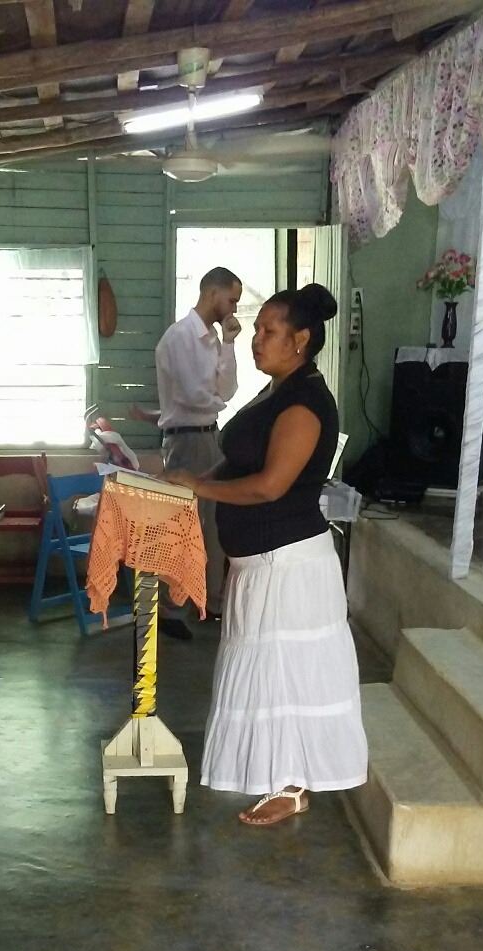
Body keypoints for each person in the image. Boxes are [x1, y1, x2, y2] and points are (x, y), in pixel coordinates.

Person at [166, 283, 368, 827]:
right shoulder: (276, 390)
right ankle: (280, 778)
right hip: (260, 563)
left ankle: (294, 785)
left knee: (289, 674)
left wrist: (199, 488)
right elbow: (239, 461)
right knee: (268, 673)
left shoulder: (305, 403)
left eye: (268, 331)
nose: (256, 339)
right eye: (256, 329)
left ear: (300, 340)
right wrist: (193, 483)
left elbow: (270, 485)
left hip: (289, 564)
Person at [132, 266, 242, 640]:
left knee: (213, 523)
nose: (233, 309)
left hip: (209, 436)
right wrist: (218, 401)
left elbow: (227, 389)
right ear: (212, 294)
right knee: (183, 525)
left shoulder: (213, 339)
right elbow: (194, 396)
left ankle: (209, 601)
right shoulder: (179, 337)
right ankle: (172, 608)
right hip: (187, 440)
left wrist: (229, 343)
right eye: (231, 300)